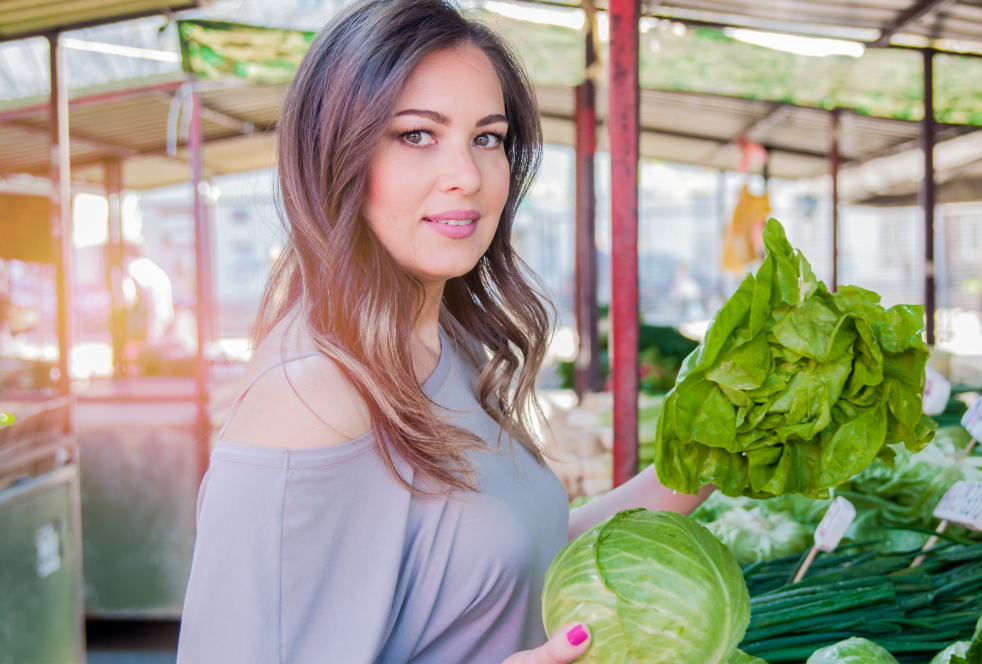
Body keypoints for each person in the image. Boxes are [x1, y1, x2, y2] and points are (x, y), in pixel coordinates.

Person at [176, 1, 714, 662]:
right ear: (336, 154)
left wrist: (705, 463)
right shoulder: (313, 397)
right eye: (416, 135)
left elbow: (517, 562)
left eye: (487, 137)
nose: (467, 175)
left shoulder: (448, 345)